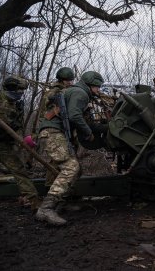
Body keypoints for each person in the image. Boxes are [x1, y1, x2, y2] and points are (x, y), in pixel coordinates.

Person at [35, 71, 104, 225]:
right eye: (97, 87)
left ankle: (61, 204)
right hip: (52, 132)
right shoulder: (81, 93)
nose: (99, 90)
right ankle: (46, 209)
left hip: (54, 132)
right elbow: (74, 116)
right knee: (71, 167)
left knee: (77, 169)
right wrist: (88, 133)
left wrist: (106, 128)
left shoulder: (77, 92)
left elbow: (87, 122)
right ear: (89, 85)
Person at [0, 76, 40, 211]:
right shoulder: (1, 100)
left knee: (19, 170)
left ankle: (33, 201)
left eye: (22, 91)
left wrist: (24, 139)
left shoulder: (16, 104)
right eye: (19, 91)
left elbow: (18, 126)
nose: (21, 94)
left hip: (5, 144)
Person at [38, 67, 75, 187]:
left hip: (59, 127)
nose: (70, 82)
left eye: (71, 80)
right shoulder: (54, 92)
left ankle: (51, 186)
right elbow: (45, 111)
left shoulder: (65, 91)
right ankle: (51, 188)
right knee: (62, 161)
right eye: (67, 80)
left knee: (56, 161)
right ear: (61, 80)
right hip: (53, 128)